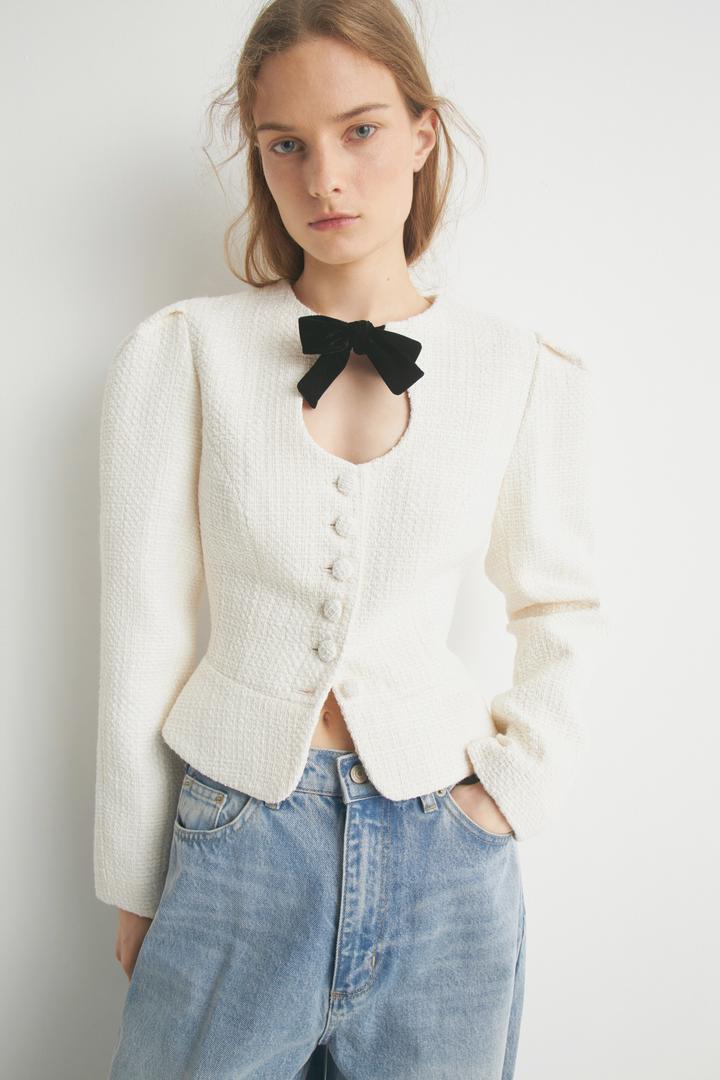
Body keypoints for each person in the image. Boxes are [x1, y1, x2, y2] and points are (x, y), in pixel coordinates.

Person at [94, 2, 607, 1077]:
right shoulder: (186, 354)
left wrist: (509, 797)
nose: (325, 178)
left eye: (361, 130)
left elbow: (561, 604)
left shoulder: (519, 369)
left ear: (423, 133)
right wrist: (133, 879)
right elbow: (142, 627)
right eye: (286, 144)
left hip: (449, 860)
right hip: (235, 846)